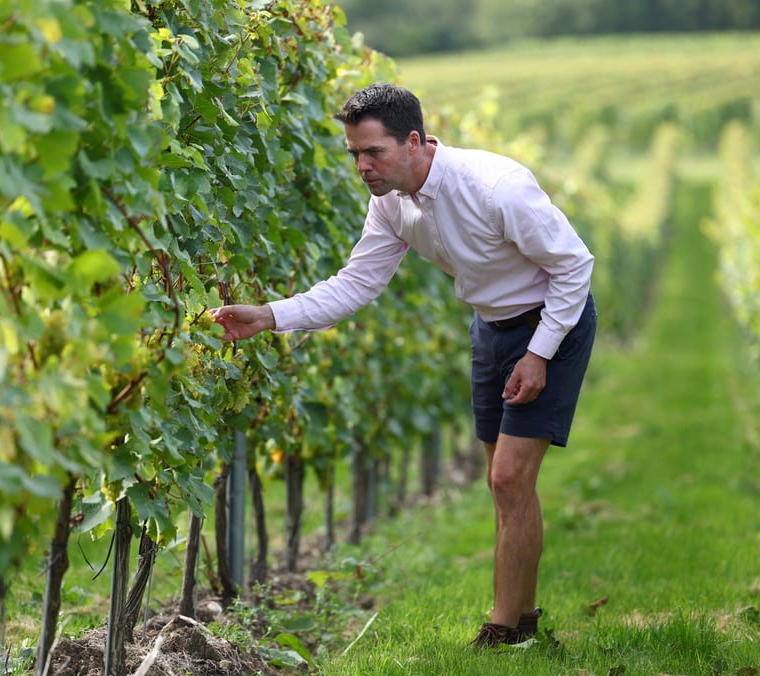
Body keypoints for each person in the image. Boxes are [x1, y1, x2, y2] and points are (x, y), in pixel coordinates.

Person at [210, 82, 597, 649]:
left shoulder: (495, 188)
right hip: (490, 328)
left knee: (510, 478)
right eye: (355, 155)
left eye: (374, 153)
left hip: (553, 323)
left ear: (414, 141)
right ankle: (524, 623)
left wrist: (539, 352)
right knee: (506, 488)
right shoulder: (390, 204)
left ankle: (501, 628)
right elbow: (357, 283)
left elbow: (573, 266)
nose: (363, 167)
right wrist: (269, 316)